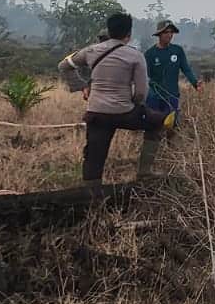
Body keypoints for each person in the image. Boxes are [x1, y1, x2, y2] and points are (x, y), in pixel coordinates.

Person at [58, 11, 170, 186]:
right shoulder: (135, 56)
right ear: (129, 34)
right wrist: (135, 104)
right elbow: (141, 92)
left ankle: (91, 191)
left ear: (109, 31)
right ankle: (145, 172)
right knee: (158, 123)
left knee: (94, 155)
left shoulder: (91, 50)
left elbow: (64, 66)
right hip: (125, 112)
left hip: (96, 113)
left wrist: (82, 86)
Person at [145, 19, 201, 130]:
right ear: (159, 35)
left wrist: (195, 83)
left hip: (172, 95)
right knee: (153, 127)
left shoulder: (177, 51)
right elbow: (146, 75)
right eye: (166, 32)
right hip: (154, 96)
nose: (169, 35)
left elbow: (186, 69)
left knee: (171, 125)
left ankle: (170, 146)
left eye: (171, 32)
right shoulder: (150, 54)